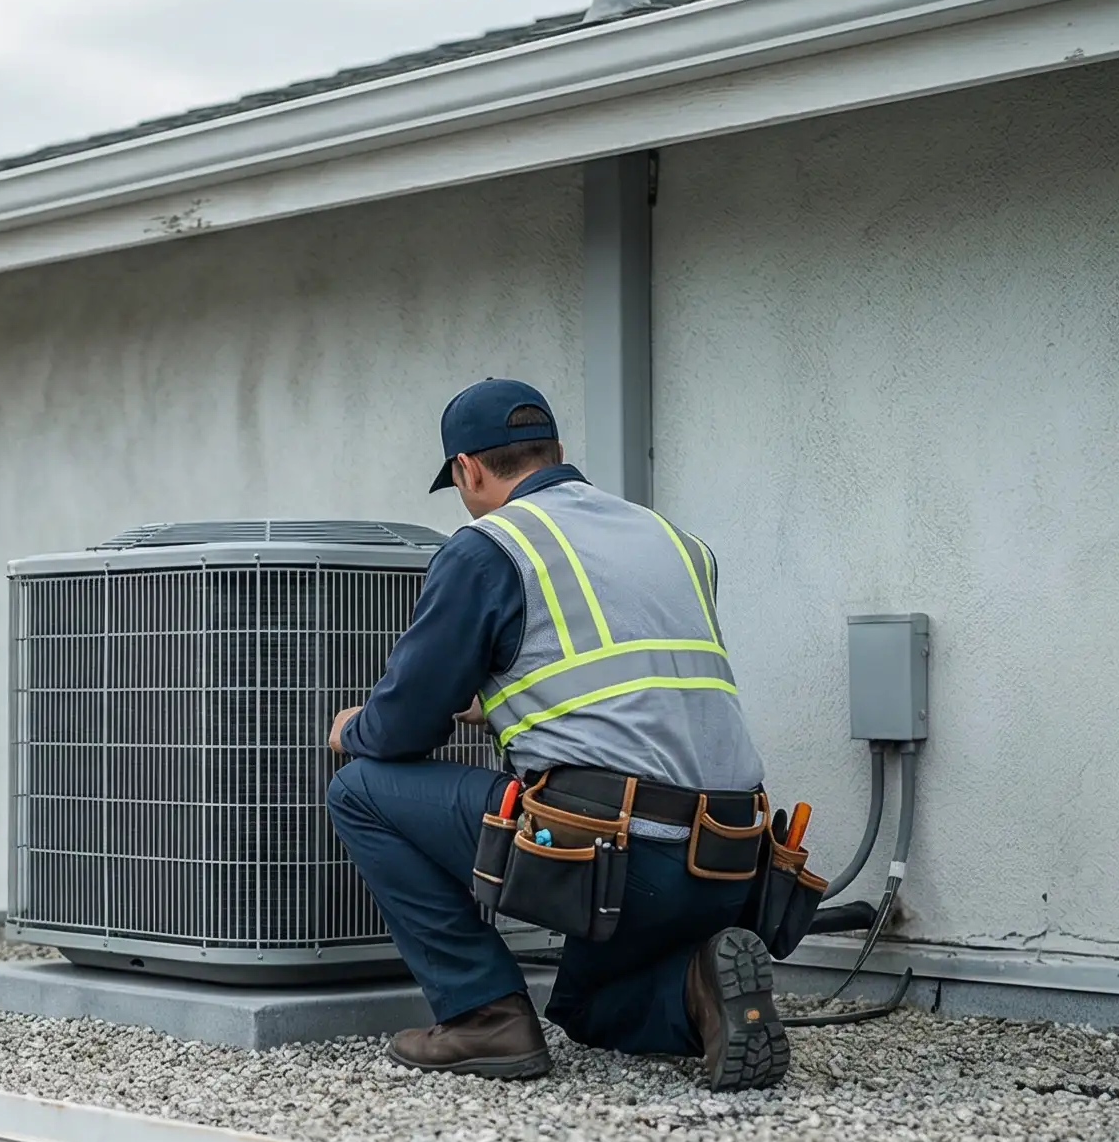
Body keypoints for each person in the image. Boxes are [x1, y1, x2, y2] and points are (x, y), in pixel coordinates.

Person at [324, 378, 788, 1092]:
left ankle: (483, 1016)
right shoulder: (674, 539)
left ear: (467, 470)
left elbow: (401, 728)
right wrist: (504, 704)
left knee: (359, 786)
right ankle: (703, 989)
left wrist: (357, 727)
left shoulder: (490, 547)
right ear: (557, 454)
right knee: (588, 1008)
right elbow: (629, 686)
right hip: (731, 860)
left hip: (612, 860)